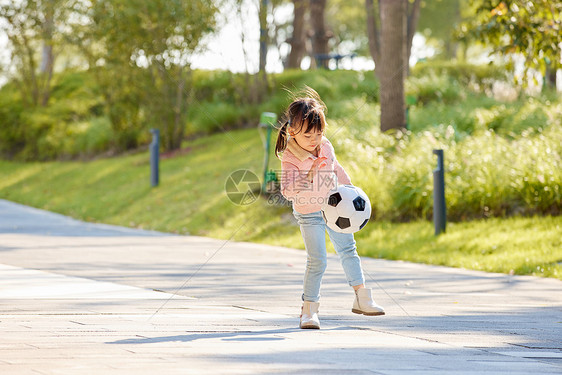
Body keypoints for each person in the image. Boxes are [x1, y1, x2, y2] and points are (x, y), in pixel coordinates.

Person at [275, 88, 385, 330]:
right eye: (308, 135)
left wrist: (351, 189)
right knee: (318, 260)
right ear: (292, 132)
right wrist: (309, 174)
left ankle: (362, 298)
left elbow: (336, 168)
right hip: (308, 213)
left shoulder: (325, 146)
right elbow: (287, 191)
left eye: (319, 133)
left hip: (336, 210)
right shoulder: (290, 157)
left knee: (349, 250)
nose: (315, 140)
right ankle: (308, 311)